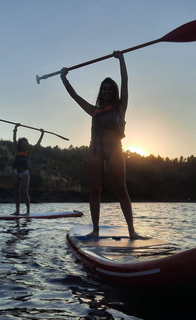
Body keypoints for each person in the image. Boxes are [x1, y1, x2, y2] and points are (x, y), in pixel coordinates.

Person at [60, 51, 141, 239]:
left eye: (109, 89)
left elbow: (125, 82)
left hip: (115, 150)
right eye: (104, 89)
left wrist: (121, 59)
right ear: (100, 92)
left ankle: (132, 231)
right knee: (95, 190)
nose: (106, 91)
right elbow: (75, 96)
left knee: (122, 189)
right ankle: (95, 230)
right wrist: (64, 78)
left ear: (113, 92)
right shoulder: (94, 110)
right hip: (95, 151)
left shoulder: (121, 107)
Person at [12, 124, 44, 215]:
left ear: (27, 145)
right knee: (17, 192)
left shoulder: (29, 153)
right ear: (20, 144)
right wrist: (15, 129)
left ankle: (28, 211)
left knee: (25, 192)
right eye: (22, 143)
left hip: (25, 173)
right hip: (16, 173)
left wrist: (42, 134)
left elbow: (38, 145)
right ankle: (17, 211)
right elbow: (14, 140)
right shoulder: (17, 151)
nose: (23, 145)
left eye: (25, 143)